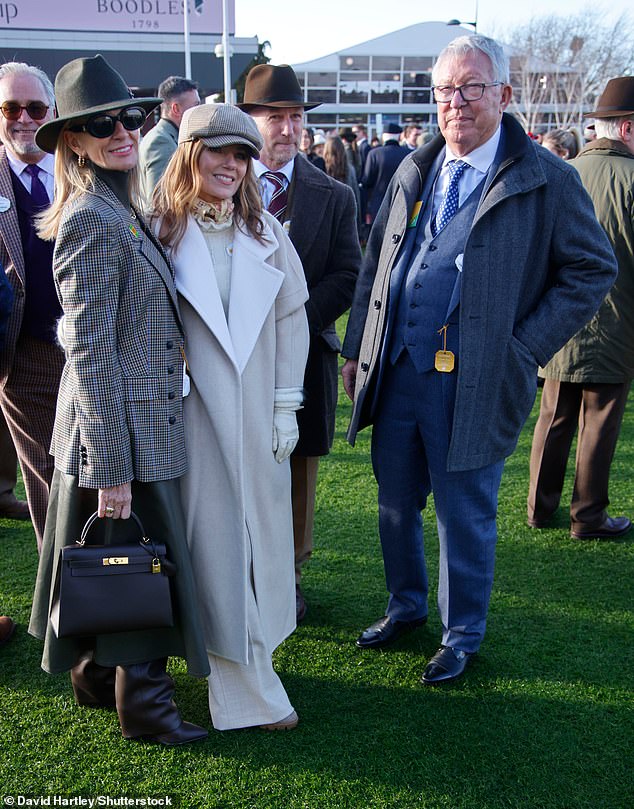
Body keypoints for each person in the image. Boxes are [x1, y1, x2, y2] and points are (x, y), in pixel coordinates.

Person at [341, 35, 617, 685]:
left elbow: (593, 268)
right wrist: (358, 346)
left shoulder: (546, 178)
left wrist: (523, 346)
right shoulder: (415, 167)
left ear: (503, 95)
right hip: (400, 371)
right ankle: (405, 606)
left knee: (464, 513)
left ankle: (461, 632)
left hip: (477, 383)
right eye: (444, 90)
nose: (455, 103)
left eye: (471, 87)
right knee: (395, 500)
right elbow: (377, 264)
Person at [28, 54, 209, 745]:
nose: (122, 131)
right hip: (119, 433)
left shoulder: (119, 204)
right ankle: (148, 711)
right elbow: (91, 351)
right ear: (73, 140)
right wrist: (111, 469)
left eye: (129, 117)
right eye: (101, 123)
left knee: (120, 562)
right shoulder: (90, 219)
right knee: (134, 567)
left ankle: (96, 680)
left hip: (137, 425)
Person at [151, 103, 309, 731]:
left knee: (261, 548)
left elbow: (292, 320)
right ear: (190, 154)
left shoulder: (269, 234)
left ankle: (255, 661)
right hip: (190, 423)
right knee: (213, 548)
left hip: (258, 424)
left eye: (241, 155)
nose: (231, 165)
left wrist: (285, 405)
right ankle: (248, 691)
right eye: (218, 151)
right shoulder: (156, 231)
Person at [239, 64, 361, 622]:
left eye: (294, 119)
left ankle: (287, 576)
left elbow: (348, 273)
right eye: (274, 118)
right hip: (232, 358)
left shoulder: (333, 195)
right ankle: (237, 572)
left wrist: (291, 318)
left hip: (305, 356)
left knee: (296, 471)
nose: (287, 130)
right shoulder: (218, 178)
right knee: (234, 462)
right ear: (249, 120)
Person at [528, 77, 634, 540]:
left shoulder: (562, 173)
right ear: (627, 129)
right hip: (617, 321)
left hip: (559, 319)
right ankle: (587, 516)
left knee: (553, 415)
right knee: (599, 422)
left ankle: (538, 506)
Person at [0, 61, 65, 549]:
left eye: (35, 107)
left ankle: (109, 584)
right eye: (10, 107)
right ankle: (61, 597)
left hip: (95, 350)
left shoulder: (81, 167)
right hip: (25, 357)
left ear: (53, 111)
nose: (24, 117)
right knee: (46, 476)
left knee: (101, 470)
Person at [138, 76, 200, 207]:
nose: (199, 112)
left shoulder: (165, 137)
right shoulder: (161, 142)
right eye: (195, 107)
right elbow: (160, 204)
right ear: (176, 109)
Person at [360, 122, 407, 227]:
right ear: (399, 136)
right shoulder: (408, 154)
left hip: (378, 204)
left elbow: (367, 181)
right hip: (401, 203)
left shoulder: (374, 154)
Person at [323, 134, 361, 232]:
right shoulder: (349, 169)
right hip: (345, 213)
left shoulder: (321, 168)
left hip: (325, 216)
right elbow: (355, 195)